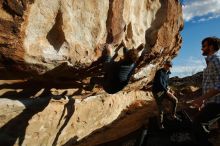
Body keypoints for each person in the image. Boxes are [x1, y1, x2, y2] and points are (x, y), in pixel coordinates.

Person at [191, 37, 220, 146]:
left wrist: (201, 98)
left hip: (217, 103)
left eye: (204, 46)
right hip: (213, 101)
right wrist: (204, 101)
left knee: (198, 123)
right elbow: (211, 84)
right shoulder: (211, 62)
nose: (201, 49)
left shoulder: (216, 60)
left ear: (211, 47)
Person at [152, 61, 179, 129]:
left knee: (175, 100)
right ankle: (160, 125)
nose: (168, 67)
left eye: (170, 66)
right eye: (167, 65)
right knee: (160, 108)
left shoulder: (168, 74)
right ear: (164, 65)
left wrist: (169, 88)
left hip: (164, 91)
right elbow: (160, 83)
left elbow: (165, 83)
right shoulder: (159, 72)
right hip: (158, 92)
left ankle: (172, 115)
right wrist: (167, 91)